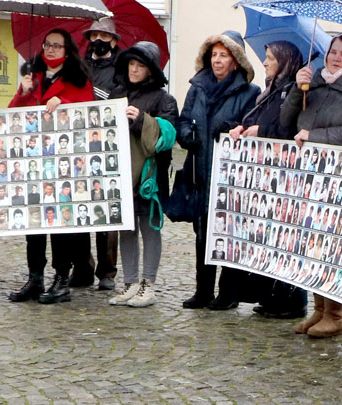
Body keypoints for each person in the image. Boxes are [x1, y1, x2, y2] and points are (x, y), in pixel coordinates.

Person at [291, 34, 342, 340]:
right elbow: (292, 121)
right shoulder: (316, 83)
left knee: (333, 245)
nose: (336, 58)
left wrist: (314, 136)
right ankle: (319, 307)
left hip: (340, 178)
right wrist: (296, 87)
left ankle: (335, 314)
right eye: (332, 52)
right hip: (312, 175)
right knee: (313, 243)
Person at [8, 29, 94, 305]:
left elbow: (88, 114)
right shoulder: (32, 78)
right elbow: (13, 115)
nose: (52, 50)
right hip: (34, 163)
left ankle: (61, 280)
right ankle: (35, 278)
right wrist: (24, 93)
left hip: (63, 166)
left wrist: (64, 102)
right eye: (48, 44)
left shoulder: (78, 80)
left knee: (59, 225)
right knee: (34, 224)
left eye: (58, 45)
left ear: (67, 51)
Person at [229, 40, 309, 321]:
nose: (265, 62)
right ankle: (271, 295)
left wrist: (261, 130)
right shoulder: (271, 89)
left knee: (288, 238)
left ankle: (293, 299)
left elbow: (287, 126)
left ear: (285, 61)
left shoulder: (295, 90)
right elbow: (258, 117)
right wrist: (243, 126)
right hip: (265, 175)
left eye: (271, 58)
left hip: (286, 175)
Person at [178, 32, 258, 310]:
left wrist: (228, 129)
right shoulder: (196, 88)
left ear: (236, 61)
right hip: (200, 172)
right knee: (202, 233)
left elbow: (249, 126)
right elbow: (184, 120)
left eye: (224, 55)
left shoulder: (250, 93)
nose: (217, 60)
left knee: (228, 234)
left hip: (230, 177)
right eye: (214, 54)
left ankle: (228, 293)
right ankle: (202, 291)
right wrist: (188, 135)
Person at [112, 42, 178, 306]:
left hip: (150, 177)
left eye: (140, 65)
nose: (134, 69)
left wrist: (141, 120)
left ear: (151, 70)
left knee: (149, 229)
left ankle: (148, 285)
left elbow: (167, 138)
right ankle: (130, 283)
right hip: (121, 175)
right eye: (131, 64)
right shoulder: (117, 94)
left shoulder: (165, 99)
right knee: (126, 229)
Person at [82, 15, 124, 290]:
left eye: (104, 36)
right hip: (80, 145)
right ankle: (82, 267)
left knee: (108, 212)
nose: (98, 41)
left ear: (113, 40)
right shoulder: (80, 66)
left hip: (109, 145)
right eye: (94, 35)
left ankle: (107, 271)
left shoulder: (121, 69)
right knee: (81, 209)